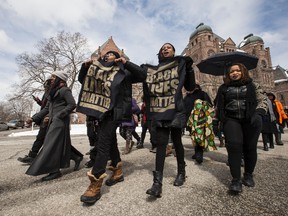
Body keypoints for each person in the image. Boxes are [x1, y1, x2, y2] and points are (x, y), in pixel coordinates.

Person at [122, 43, 196, 197]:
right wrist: (125, 63)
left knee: (176, 142)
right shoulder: (153, 71)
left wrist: (189, 68)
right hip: (160, 110)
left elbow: (190, 86)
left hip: (175, 110)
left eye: (168, 47)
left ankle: (181, 172)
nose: (165, 49)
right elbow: (140, 73)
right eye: (163, 48)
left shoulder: (179, 65)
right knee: (161, 144)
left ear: (174, 51)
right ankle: (157, 183)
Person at [78, 51, 146, 204]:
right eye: (105, 55)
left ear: (117, 57)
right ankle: (117, 171)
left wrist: (125, 62)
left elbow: (142, 75)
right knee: (111, 142)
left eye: (111, 54)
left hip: (116, 112)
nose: (107, 56)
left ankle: (95, 184)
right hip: (101, 111)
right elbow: (83, 81)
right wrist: (85, 67)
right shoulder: (101, 72)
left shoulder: (124, 71)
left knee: (102, 144)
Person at [213, 63, 267, 193]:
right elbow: (218, 106)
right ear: (228, 74)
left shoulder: (253, 85)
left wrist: (259, 113)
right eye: (231, 71)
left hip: (251, 119)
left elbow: (262, 100)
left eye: (237, 70)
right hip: (231, 119)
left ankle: (248, 174)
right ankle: (236, 179)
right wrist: (216, 120)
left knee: (250, 148)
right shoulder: (223, 88)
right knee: (234, 147)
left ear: (243, 72)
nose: (234, 73)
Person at [26, 70, 83, 181]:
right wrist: (33, 118)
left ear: (60, 79)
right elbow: (47, 109)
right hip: (53, 122)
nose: (51, 79)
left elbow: (72, 104)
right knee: (57, 144)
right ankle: (76, 157)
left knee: (50, 145)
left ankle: (54, 171)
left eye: (53, 77)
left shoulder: (65, 90)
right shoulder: (53, 93)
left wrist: (59, 115)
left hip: (60, 122)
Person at [17, 79, 51, 164]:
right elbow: (45, 106)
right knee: (41, 138)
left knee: (47, 140)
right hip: (44, 118)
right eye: (45, 86)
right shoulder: (46, 94)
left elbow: (50, 108)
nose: (45, 88)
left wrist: (35, 118)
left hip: (48, 119)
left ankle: (75, 156)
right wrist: (38, 101)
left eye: (46, 86)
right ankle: (32, 156)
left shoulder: (52, 93)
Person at [184, 84, 214, 163]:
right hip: (189, 120)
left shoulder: (202, 94)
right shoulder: (187, 97)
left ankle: (199, 154)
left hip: (200, 120)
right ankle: (197, 152)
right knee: (193, 136)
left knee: (199, 136)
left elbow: (209, 105)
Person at [187, 98, 217, 164]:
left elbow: (190, 119)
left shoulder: (195, 109)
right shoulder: (205, 107)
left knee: (198, 141)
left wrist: (189, 124)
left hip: (197, 127)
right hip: (204, 126)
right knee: (200, 141)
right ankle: (198, 155)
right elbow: (211, 112)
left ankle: (198, 156)